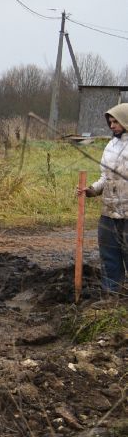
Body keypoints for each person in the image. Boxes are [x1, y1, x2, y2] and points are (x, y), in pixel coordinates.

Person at [79, 102, 128, 293]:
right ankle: (111, 295)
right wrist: (91, 190)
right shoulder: (110, 146)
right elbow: (105, 178)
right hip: (109, 212)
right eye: (110, 122)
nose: (112, 126)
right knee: (109, 256)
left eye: (116, 121)